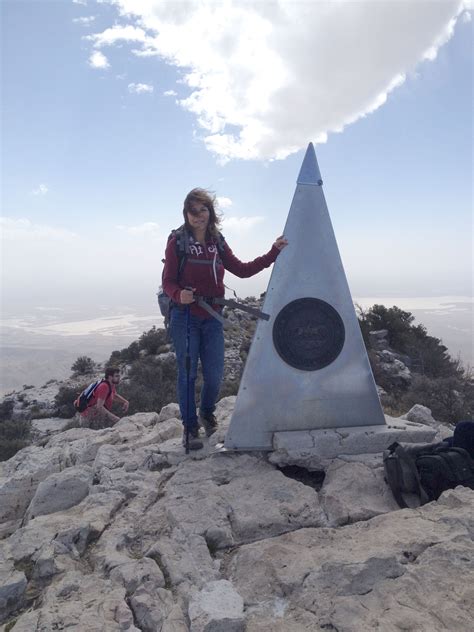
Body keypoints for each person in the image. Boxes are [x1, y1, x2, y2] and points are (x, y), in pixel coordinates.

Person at [162, 188, 288, 450]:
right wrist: (178, 294)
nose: (199, 216)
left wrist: (273, 253)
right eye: (193, 211)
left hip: (212, 318)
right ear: (186, 214)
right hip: (184, 317)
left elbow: (242, 270)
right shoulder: (177, 241)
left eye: (203, 209)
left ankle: (206, 413)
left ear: (211, 212)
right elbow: (168, 282)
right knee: (187, 375)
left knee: (215, 374)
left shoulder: (217, 241)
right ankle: (190, 428)